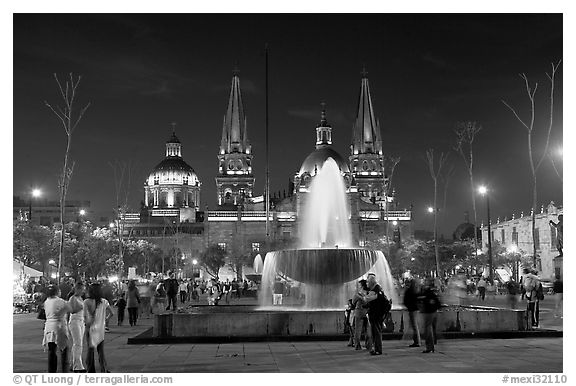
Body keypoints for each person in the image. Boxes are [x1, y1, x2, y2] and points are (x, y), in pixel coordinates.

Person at [84, 283, 114, 373]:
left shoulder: (87, 302)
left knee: (90, 350)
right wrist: (106, 319)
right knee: (101, 351)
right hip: (101, 329)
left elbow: (85, 316)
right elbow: (112, 313)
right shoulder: (104, 301)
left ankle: (90, 370)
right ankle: (103, 369)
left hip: (91, 328)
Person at [42, 284, 71, 372]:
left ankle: (52, 371)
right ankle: (64, 371)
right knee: (64, 350)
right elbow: (71, 309)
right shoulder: (61, 301)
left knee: (52, 351)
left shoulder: (46, 301)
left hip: (49, 327)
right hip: (59, 327)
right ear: (57, 292)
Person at [362, 273, 388, 356]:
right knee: (375, 331)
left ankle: (378, 349)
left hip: (376, 314)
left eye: (368, 282)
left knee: (376, 332)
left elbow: (366, 299)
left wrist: (361, 295)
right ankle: (376, 348)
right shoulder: (378, 289)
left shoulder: (374, 291)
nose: (367, 284)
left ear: (371, 282)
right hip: (377, 314)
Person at [419, 278, 441, 353]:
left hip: (429, 313)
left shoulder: (427, 293)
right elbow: (438, 304)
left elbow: (426, 302)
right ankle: (432, 344)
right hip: (433, 313)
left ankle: (430, 346)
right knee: (431, 329)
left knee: (428, 330)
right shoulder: (432, 293)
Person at [68, 282, 86, 372]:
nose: (83, 291)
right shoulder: (72, 298)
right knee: (78, 343)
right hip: (75, 321)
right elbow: (72, 310)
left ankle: (73, 363)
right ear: (77, 289)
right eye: (82, 289)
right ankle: (78, 366)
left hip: (81, 321)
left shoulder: (81, 298)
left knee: (78, 343)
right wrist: (81, 307)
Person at [352, 279, 372, 351]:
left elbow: (353, 302)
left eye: (359, 285)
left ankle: (357, 346)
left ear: (361, 285)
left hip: (359, 312)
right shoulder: (370, 293)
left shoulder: (358, 293)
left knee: (358, 330)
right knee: (368, 329)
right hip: (368, 312)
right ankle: (369, 345)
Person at [403, 278, 421, 348]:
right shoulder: (417, 291)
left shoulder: (409, 291)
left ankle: (417, 342)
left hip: (412, 310)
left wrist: (408, 306)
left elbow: (406, 300)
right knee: (415, 326)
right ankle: (416, 341)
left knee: (414, 326)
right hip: (415, 309)